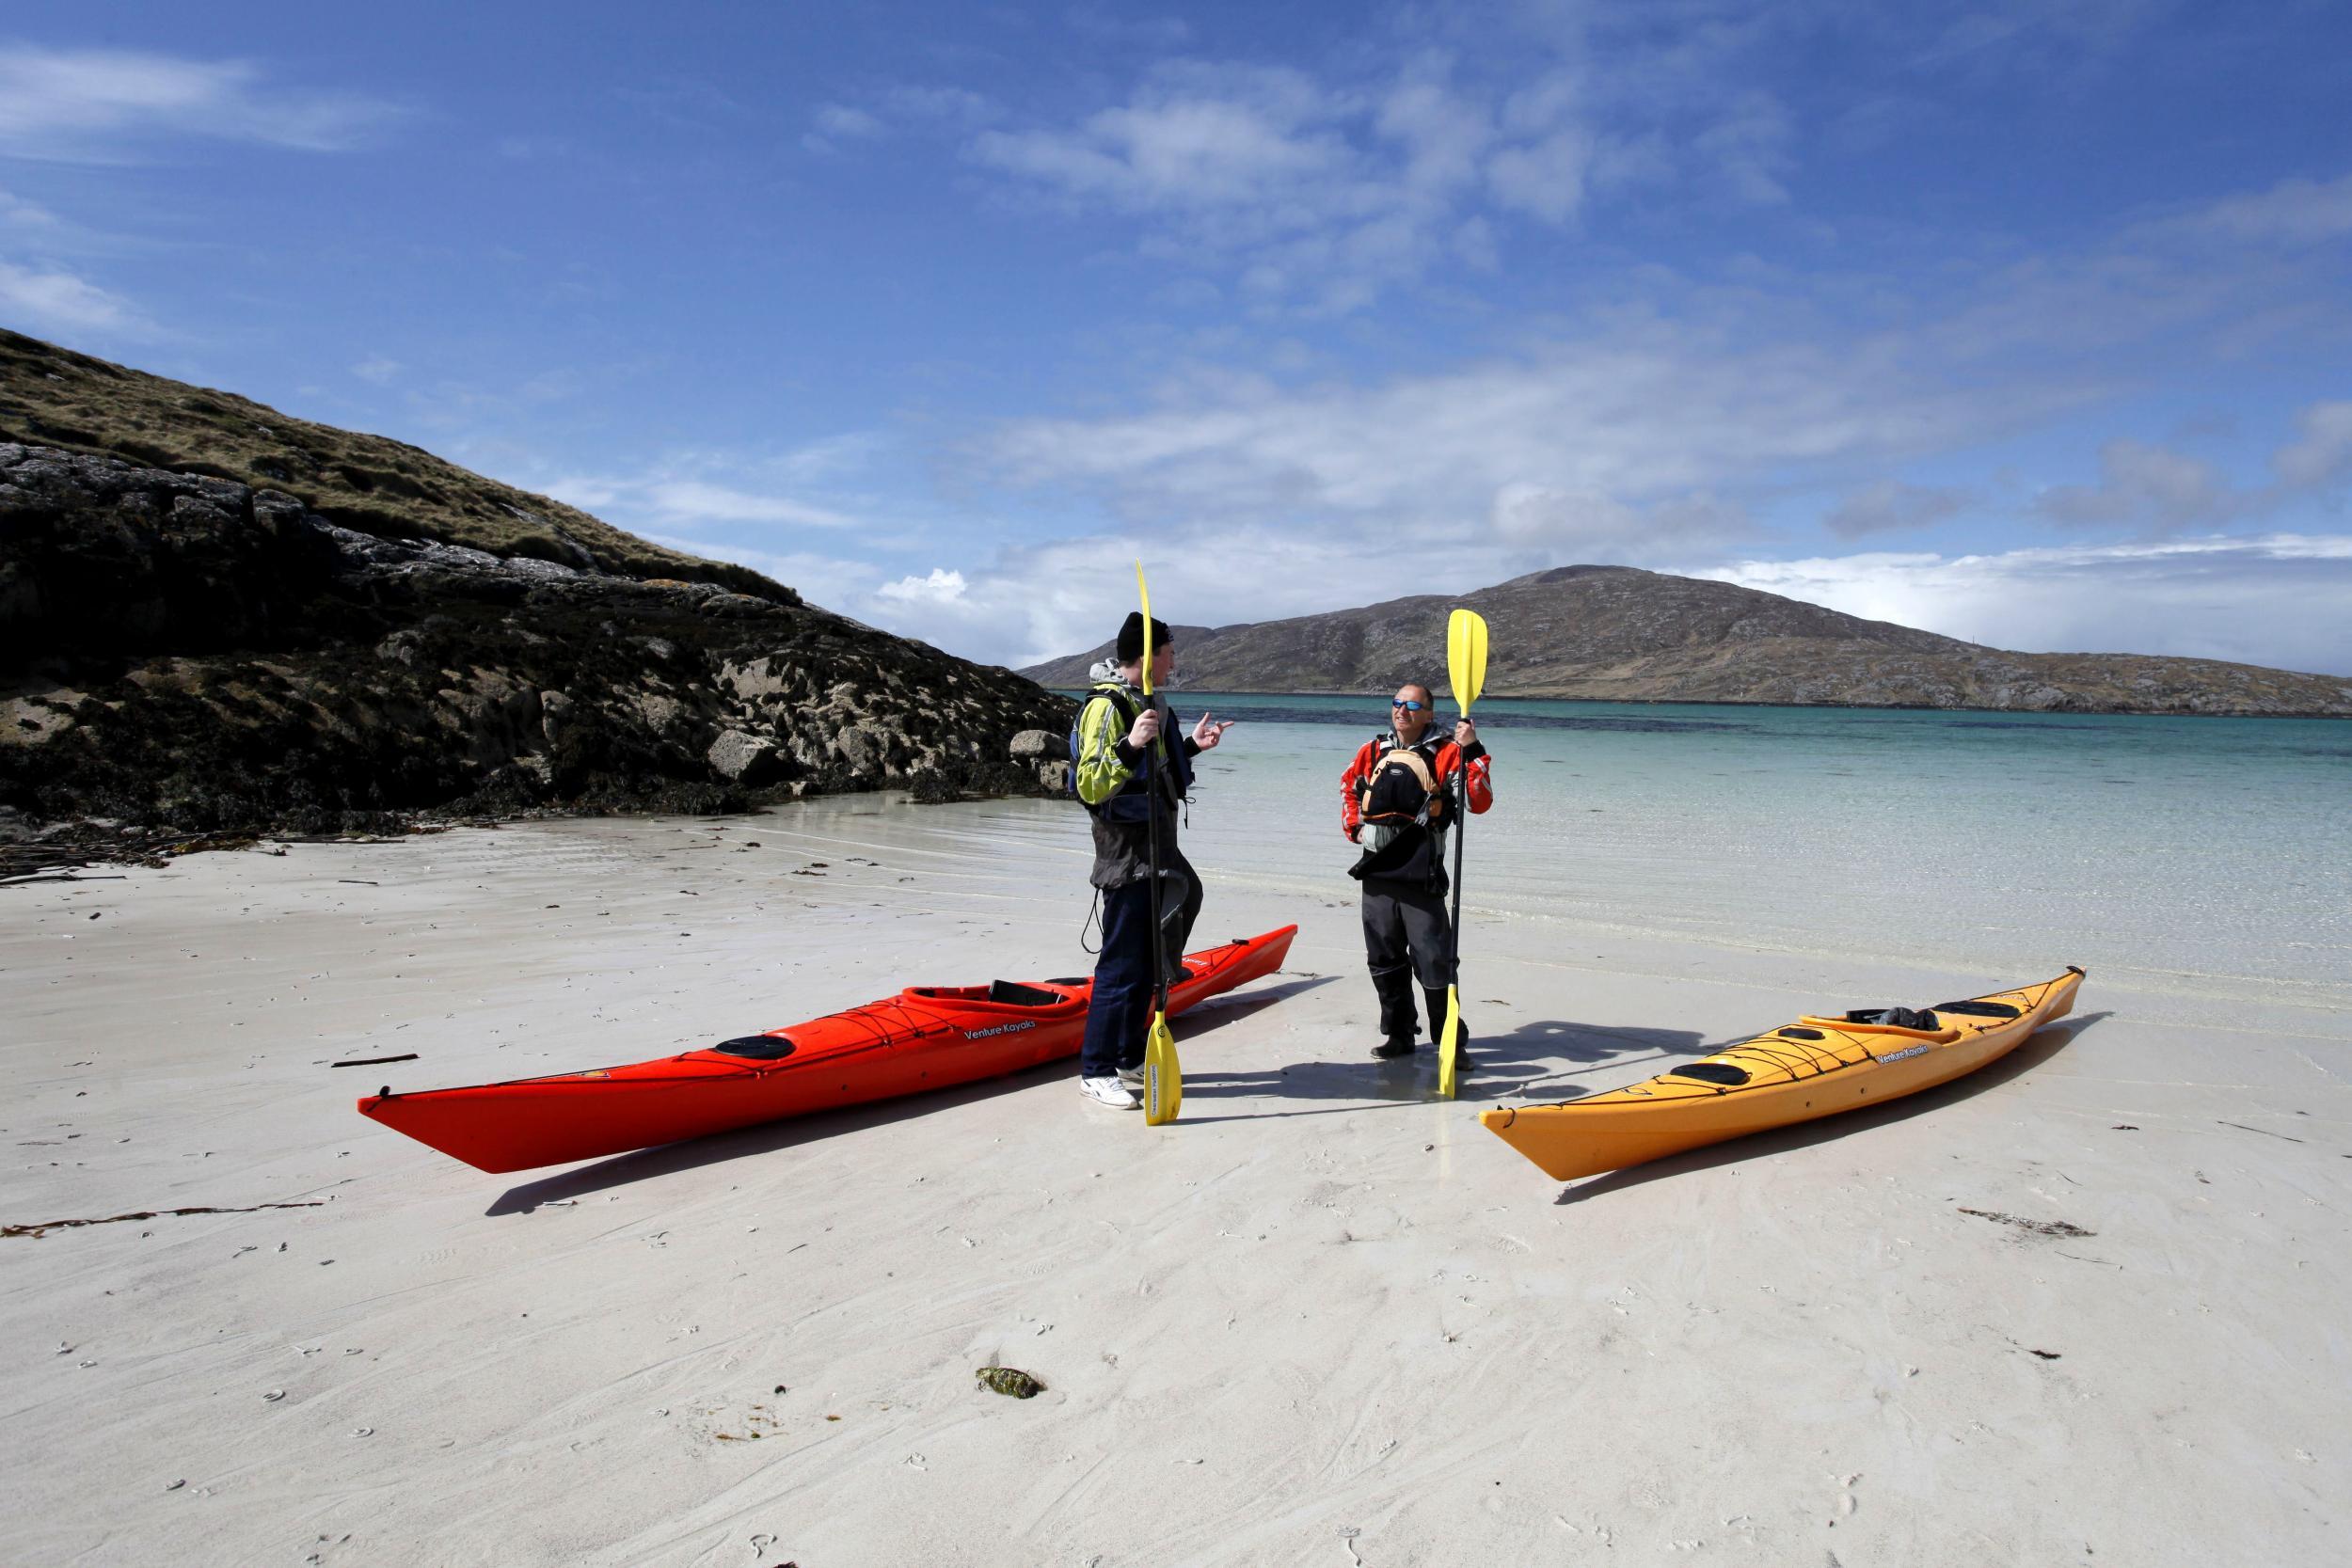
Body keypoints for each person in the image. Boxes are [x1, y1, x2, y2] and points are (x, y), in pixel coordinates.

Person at [1072, 612, 1233, 1109]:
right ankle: (1095, 1070)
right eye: (1168, 652)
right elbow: (1089, 784)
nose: (1174, 661)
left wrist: (1191, 747)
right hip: (1127, 853)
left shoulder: (1152, 705)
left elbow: (1161, 773)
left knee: (1153, 950)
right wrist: (1129, 743)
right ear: (1146, 657)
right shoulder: (1107, 708)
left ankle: (1125, 1054)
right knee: (1121, 963)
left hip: (1159, 847)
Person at [1339, 682, 1493, 1066]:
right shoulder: (1373, 750)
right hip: (1376, 869)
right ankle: (1399, 1034)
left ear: (1428, 713)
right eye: (1396, 703)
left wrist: (1472, 749)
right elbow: (1350, 787)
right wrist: (1354, 826)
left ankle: (1449, 1042)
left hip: (1420, 871)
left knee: (1434, 959)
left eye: (1411, 705)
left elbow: (1479, 802)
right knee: (1384, 956)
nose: (1401, 710)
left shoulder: (1448, 752)